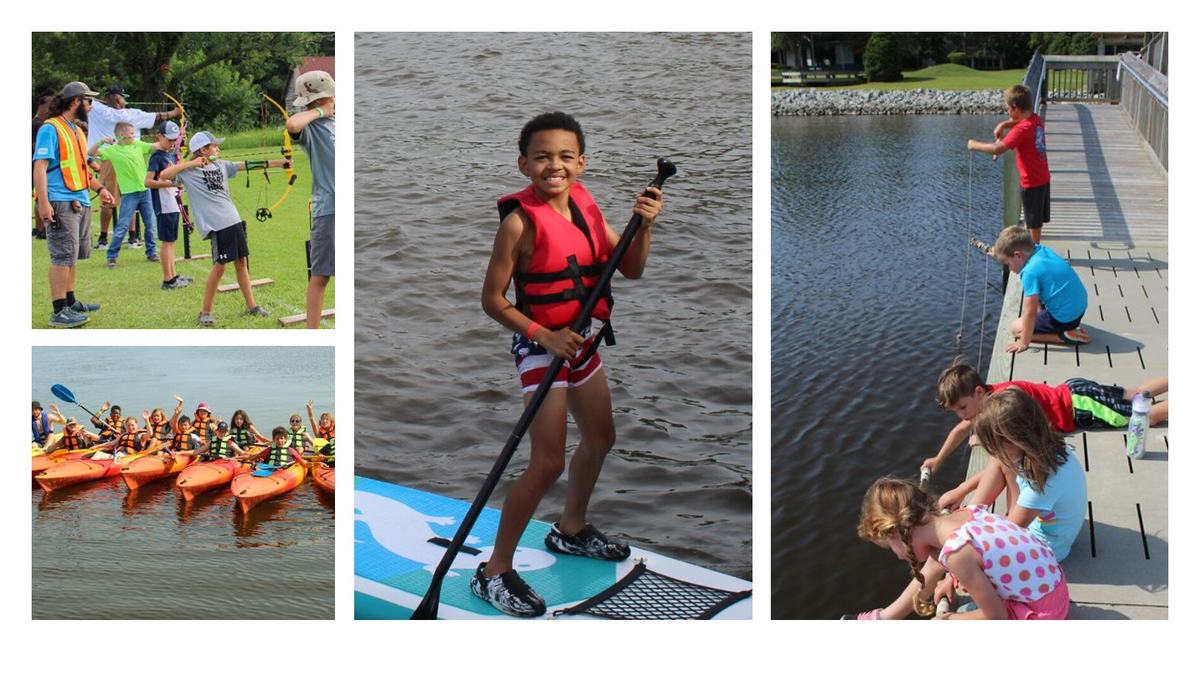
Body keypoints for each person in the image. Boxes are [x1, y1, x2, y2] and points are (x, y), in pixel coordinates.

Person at [474, 111, 664, 617]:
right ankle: (494, 570)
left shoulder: (585, 205)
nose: (553, 166)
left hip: (582, 344)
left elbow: (632, 268)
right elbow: (493, 301)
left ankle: (571, 530)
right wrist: (543, 336)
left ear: (580, 162)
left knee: (601, 438)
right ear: (523, 164)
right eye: (541, 157)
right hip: (540, 348)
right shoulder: (518, 223)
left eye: (563, 156)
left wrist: (641, 227)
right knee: (548, 461)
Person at [855, 476, 1069, 620]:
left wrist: (950, 620)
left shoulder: (957, 555)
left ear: (897, 534)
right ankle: (884, 618)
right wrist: (951, 578)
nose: (898, 556)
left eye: (889, 548)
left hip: (1043, 614)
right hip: (1055, 590)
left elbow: (996, 618)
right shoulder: (968, 513)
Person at [922, 362, 1168, 477]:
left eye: (963, 407)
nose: (962, 415)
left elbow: (1019, 440)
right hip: (1074, 390)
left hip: (1078, 407)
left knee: (1147, 416)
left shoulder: (1006, 400)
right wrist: (938, 458)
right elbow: (961, 429)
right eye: (956, 411)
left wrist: (985, 441)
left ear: (978, 392)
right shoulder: (989, 397)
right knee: (1136, 394)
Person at [943, 389, 1088, 566]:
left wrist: (955, 572)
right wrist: (962, 490)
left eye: (995, 446)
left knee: (963, 559)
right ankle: (972, 514)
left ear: (1014, 441)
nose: (994, 452)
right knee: (1000, 461)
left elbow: (1005, 538)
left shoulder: (1042, 486)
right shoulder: (1045, 448)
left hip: (1045, 550)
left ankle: (969, 520)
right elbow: (999, 461)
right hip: (1044, 523)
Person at [159, 131, 284, 326]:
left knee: (241, 262)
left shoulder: (221, 165)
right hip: (217, 224)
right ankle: (205, 312)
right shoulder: (188, 173)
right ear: (203, 150)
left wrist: (278, 163)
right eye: (214, 146)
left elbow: (245, 165)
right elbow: (164, 175)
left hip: (232, 219)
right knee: (220, 267)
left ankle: (252, 306)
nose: (218, 148)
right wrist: (192, 163)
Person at [32, 81, 115, 328]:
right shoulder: (50, 128)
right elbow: (40, 167)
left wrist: (100, 189)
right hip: (60, 201)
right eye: (88, 100)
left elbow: (80, 169)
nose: (91, 106)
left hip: (79, 200)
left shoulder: (77, 131)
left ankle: (70, 301)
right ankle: (59, 311)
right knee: (62, 255)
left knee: (73, 255)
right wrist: (43, 203)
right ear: (76, 101)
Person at [86, 84, 181, 248]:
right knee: (119, 198)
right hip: (117, 157)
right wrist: (176, 112)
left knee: (123, 197)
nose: (124, 102)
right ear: (117, 98)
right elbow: (160, 115)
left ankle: (117, 238)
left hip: (120, 158)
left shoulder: (97, 109)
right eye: (123, 98)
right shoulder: (130, 114)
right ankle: (123, 238)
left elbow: (84, 102)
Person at [968, 84, 1051, 244]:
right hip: (1043, 178)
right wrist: (1004, 124)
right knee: (1036, 222)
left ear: (1015, 108)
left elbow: (997, 149)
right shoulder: (1036, 120)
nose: (1007, 112)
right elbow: (1021, 121)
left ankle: (1034, 257)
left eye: (1007, 109)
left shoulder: (1022, 130)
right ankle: (1035, 250)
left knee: (1032, 224)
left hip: (1031, 183)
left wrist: (974, 144)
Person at [285, 71, 336, 328]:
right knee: (321, 276)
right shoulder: (311, 126)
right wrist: (322, 112)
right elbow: (292, 125)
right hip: (328, 210)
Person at [992, 226, 1089, 351]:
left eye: (1008, 264)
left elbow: (1030, 312)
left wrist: (1023, 343)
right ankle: (1064, 327)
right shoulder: (1041, 250)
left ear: (1017, 255)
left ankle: (1064, 337)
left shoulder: (1029, 272)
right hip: (1079, 309)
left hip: (1066, 319)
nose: (1010, 269)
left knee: (1015, 329)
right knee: (1038, 289)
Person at [90, 122, 165, 267]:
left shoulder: (138, 145)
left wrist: (170, 139)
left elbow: (157, 146)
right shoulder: (112, 150)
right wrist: (101, 141)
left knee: (150, 224)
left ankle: (152, 253)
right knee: (122, 225)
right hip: (129, 194)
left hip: (145, 191)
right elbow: (91, 153)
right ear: (121, 135)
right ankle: (112, 256)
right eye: (131, 133)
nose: (133, 135)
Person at [146, 121, 193, 289]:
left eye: (175, 139)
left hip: (173, 203)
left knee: (171, 241)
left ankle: (173, 276)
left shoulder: (171, 155)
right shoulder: (157, 157)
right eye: (169, 139)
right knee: (167, 241)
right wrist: (171, 185)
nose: (173, 143)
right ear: (159, 137)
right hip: (164, 204)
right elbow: (148, 182)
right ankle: (168, 280)